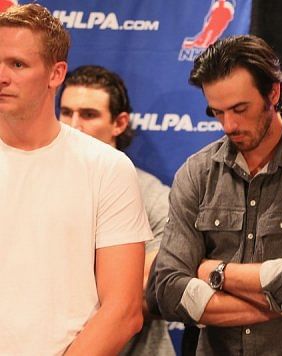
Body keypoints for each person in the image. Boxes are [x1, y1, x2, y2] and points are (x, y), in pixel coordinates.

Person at [151, 34, 282, 355]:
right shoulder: (197, 171)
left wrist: (212, 271)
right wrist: (278, 301)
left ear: (273, 93)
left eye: (239, 108)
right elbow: (167, 291)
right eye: (217, 112)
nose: (229, 124)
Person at [0, 4, 152, 355]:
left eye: (17, 64)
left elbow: (124, 310)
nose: (2, 76)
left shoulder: (107, 168)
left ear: (56, 74)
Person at [58, 65, 174, 356]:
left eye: (88, 114)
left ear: (119, 123)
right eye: (66, 112)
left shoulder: (153, 197)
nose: (73, 126)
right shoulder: (35, 185)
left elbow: (147, 295)